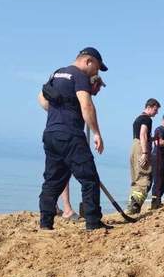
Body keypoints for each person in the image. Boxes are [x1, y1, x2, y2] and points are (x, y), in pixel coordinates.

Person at [37, 47, 110, 231]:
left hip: (51, 132)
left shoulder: (57, 73)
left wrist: (59, 112)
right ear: (88, 61)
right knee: (89, 178)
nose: (96, 72)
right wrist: (96, 133)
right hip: (70, 135)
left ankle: (45, 224)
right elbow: (87, 105)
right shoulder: (79, 75)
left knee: (53, 180)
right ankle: (93, 223)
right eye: (97, 68)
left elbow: (42, 99)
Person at [127, 98, 161, 214]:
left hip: (134, 146)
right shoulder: (147, 119)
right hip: (141, 147)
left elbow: (140, 135)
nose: (157, 113)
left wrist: (152, 138)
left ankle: (132, 206)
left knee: (136, 178)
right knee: (145, 178)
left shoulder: (138, 118)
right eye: (156, 110)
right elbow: (142, 134)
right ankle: (134, 207)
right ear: (150, 107)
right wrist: (145, 153)